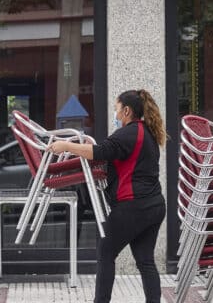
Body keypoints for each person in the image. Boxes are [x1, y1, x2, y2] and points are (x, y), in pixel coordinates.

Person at [47, 89, 166, 303]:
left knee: (106, 252)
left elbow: (99, 151)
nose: (115, 113)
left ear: (127, 110)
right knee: (145, 261)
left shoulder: (129, 133)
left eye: (117, 109)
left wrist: (65, 146)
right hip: (154, 205)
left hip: (133, 206)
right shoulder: (146, 132)